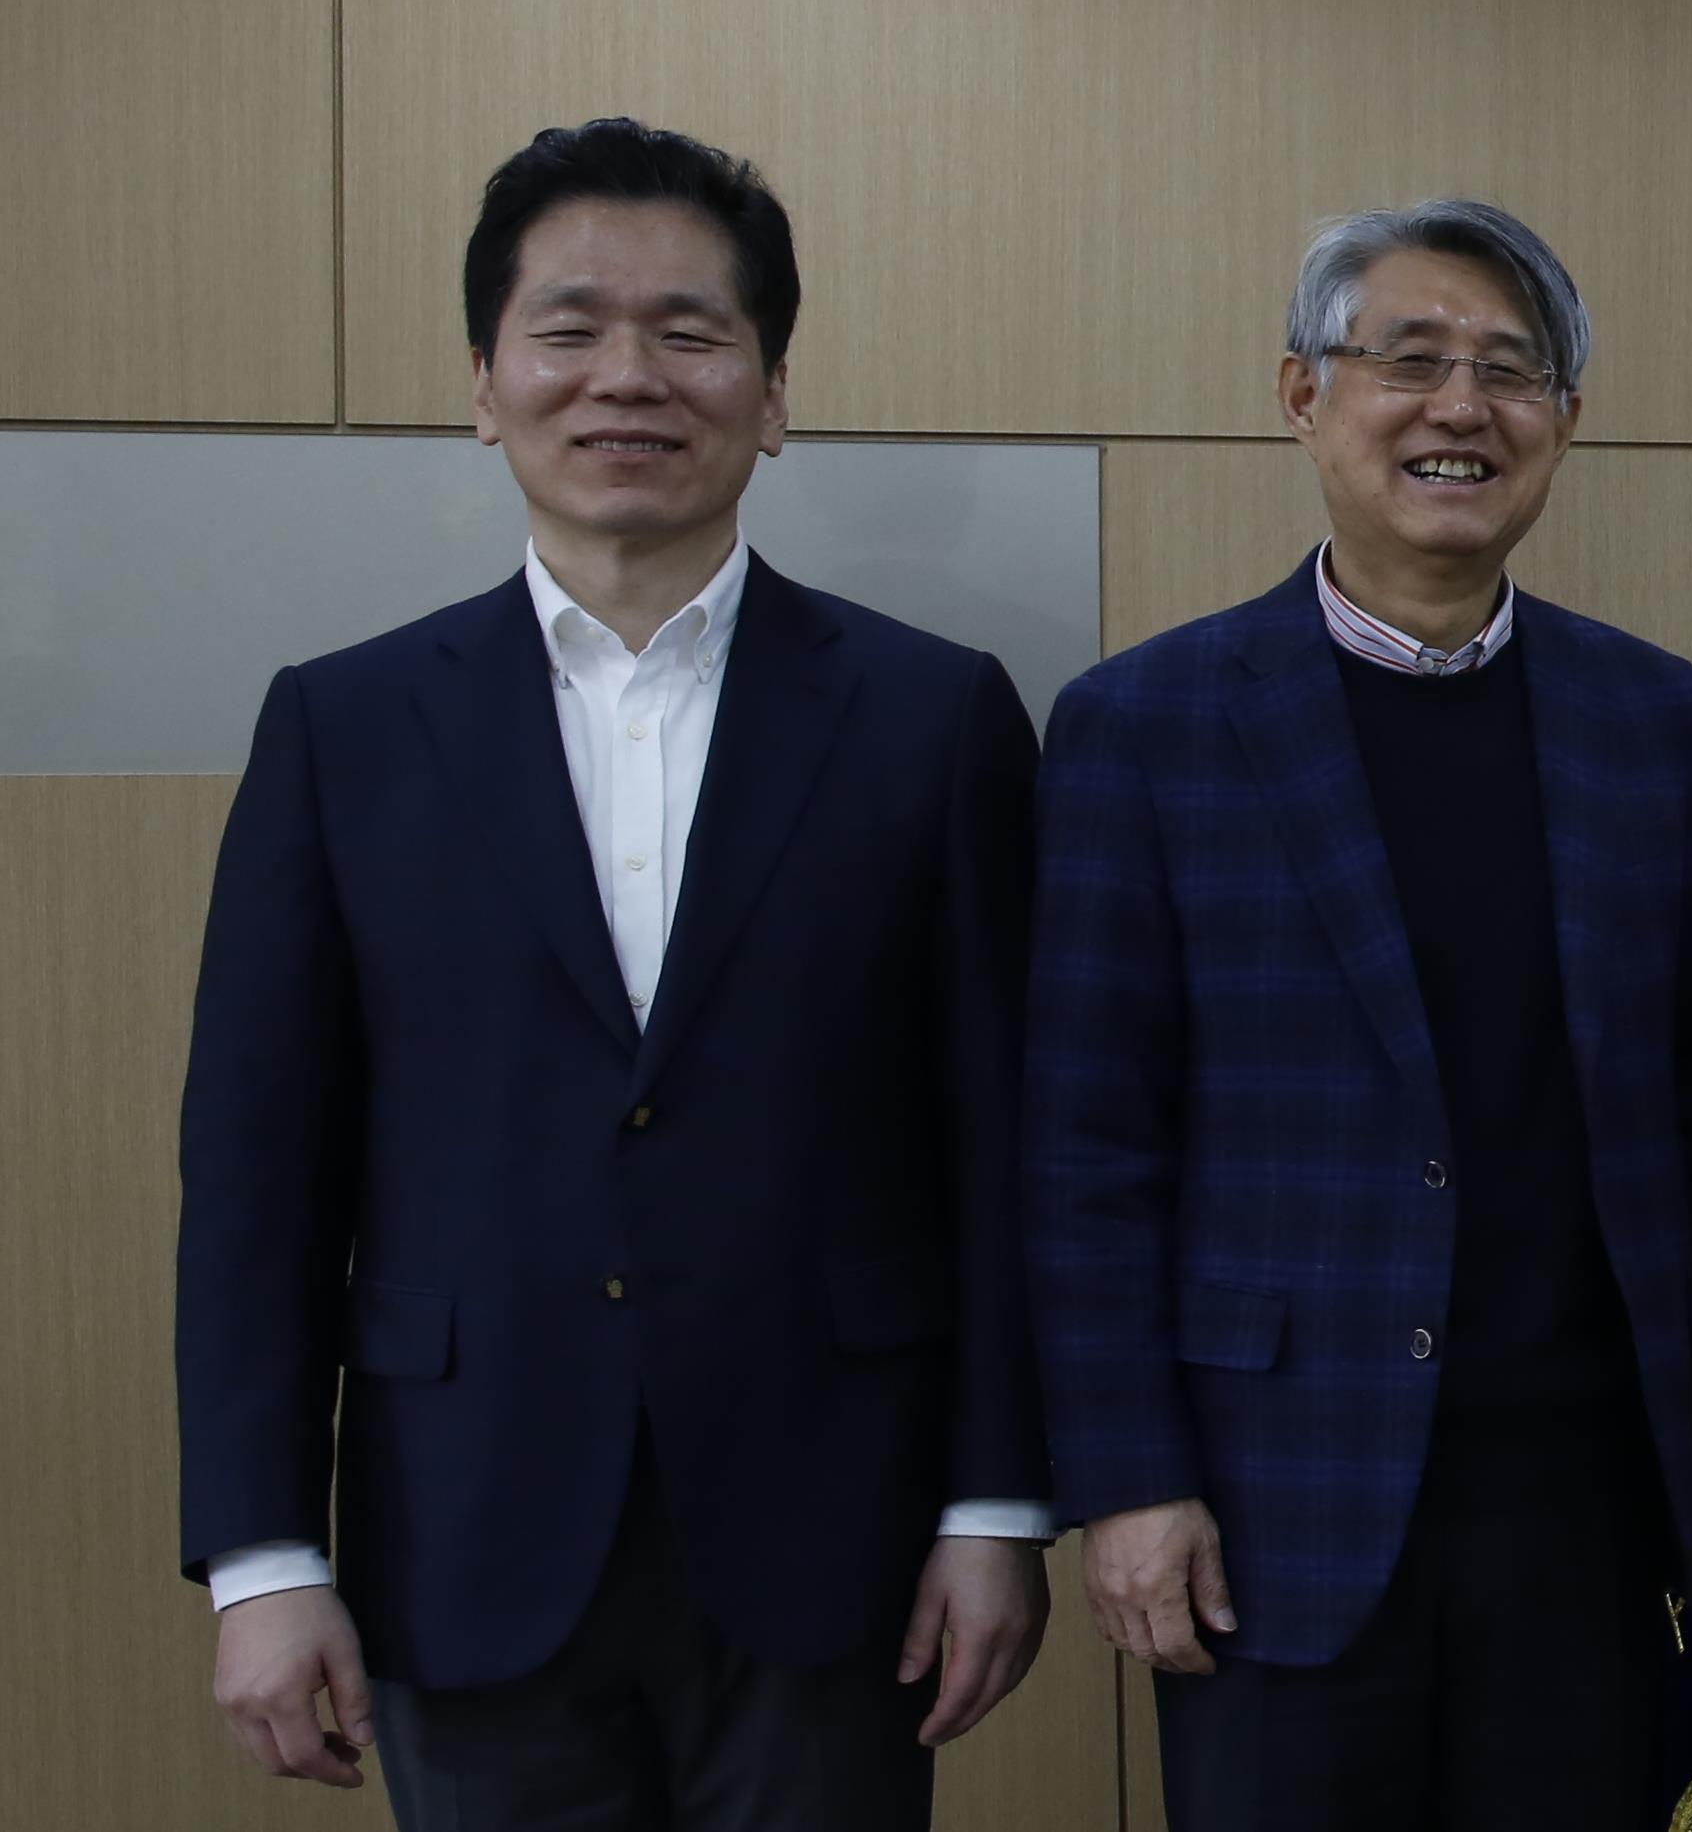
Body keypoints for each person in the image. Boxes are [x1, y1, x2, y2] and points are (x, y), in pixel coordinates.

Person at [178, 118, 1050, 1827]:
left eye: (690, 330)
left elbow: (1002, 1143)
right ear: (486, 382)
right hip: (467, 1519)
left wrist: (997, 1503)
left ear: (773, 390)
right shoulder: (345, 726)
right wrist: (263, 1550)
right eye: (568, 328)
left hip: (834, 1534)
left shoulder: (932, 717)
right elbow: (258, 1169)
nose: (626, 375)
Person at [1026, 201, 1692, 1830]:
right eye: (1409, 358)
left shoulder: (1647, 715)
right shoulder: (1147, 726)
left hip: (1582, 1500)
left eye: (1511, 368)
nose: (1460, 405)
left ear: (1561, 421)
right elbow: (1083, 1146)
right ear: (1302, 392)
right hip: (1275, 1500)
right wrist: (1130, 1477)